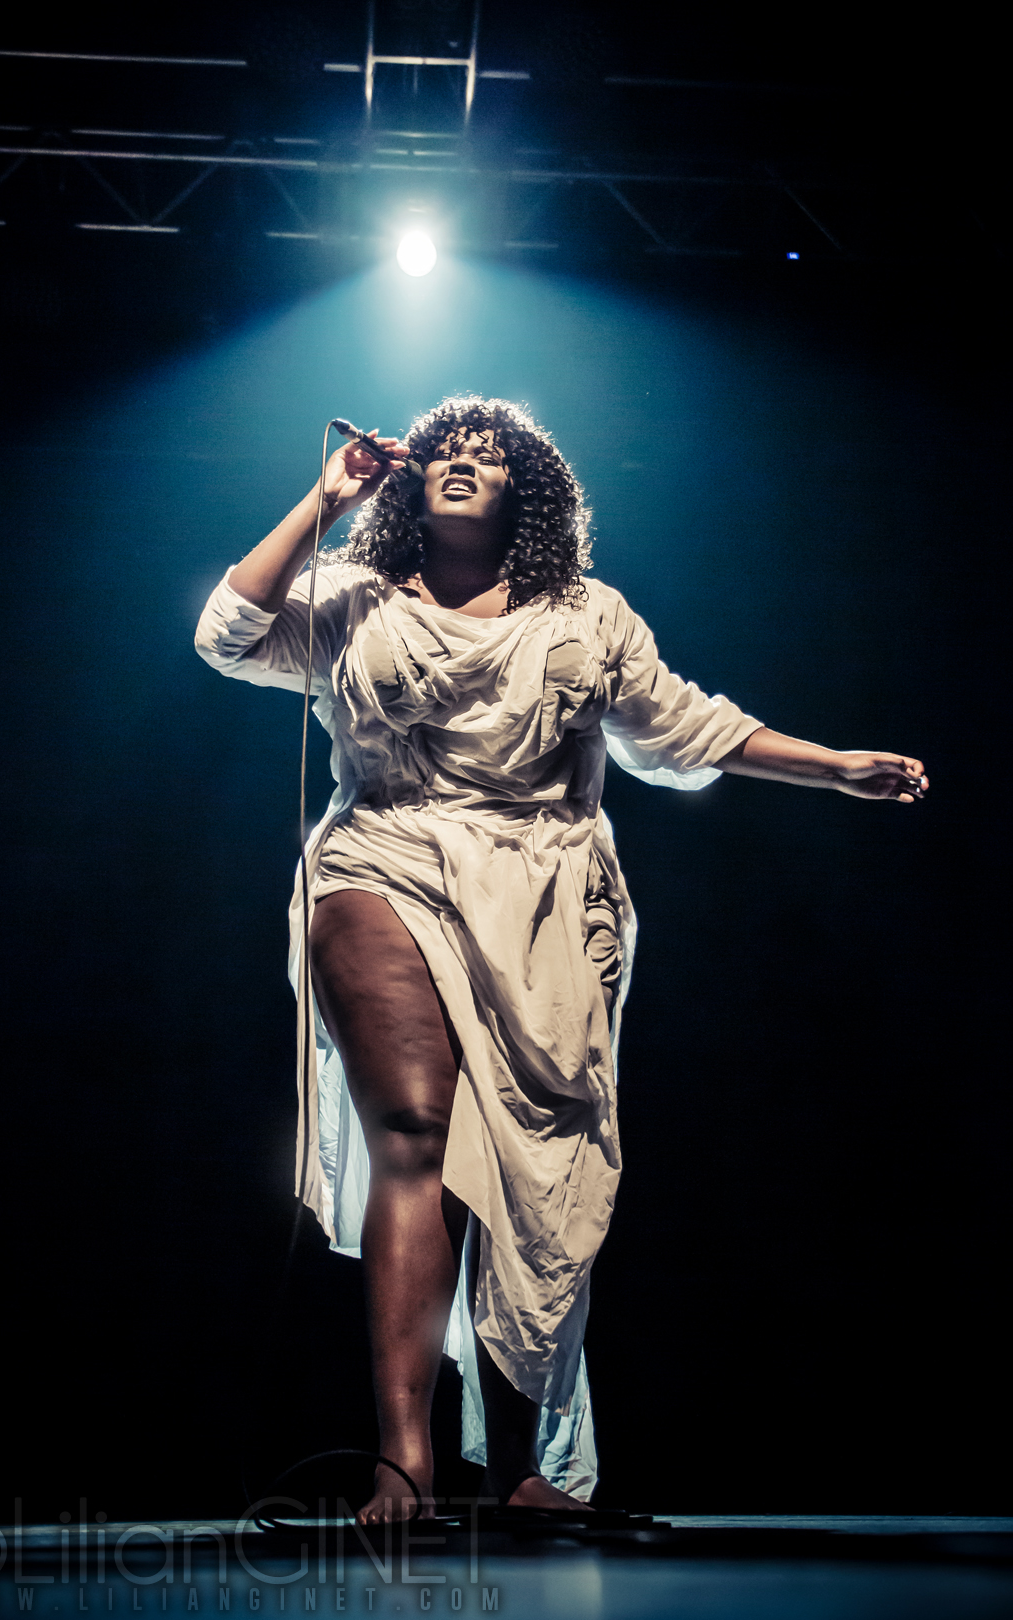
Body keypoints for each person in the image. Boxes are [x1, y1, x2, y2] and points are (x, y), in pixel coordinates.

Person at [195, 396, 927, 1524]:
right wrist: (324, 504)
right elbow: (228, 634)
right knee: (413, 1130)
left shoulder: (587, 616)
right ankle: (404, 1460)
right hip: (383, 855)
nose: (461, 461)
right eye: (444, 449)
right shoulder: (354, 595)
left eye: (488, 454)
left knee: (534, 1176)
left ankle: (518, 1468)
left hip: (543, 894)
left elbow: (691, 729)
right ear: (410, 480)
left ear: (524, 492)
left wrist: (832, 766)